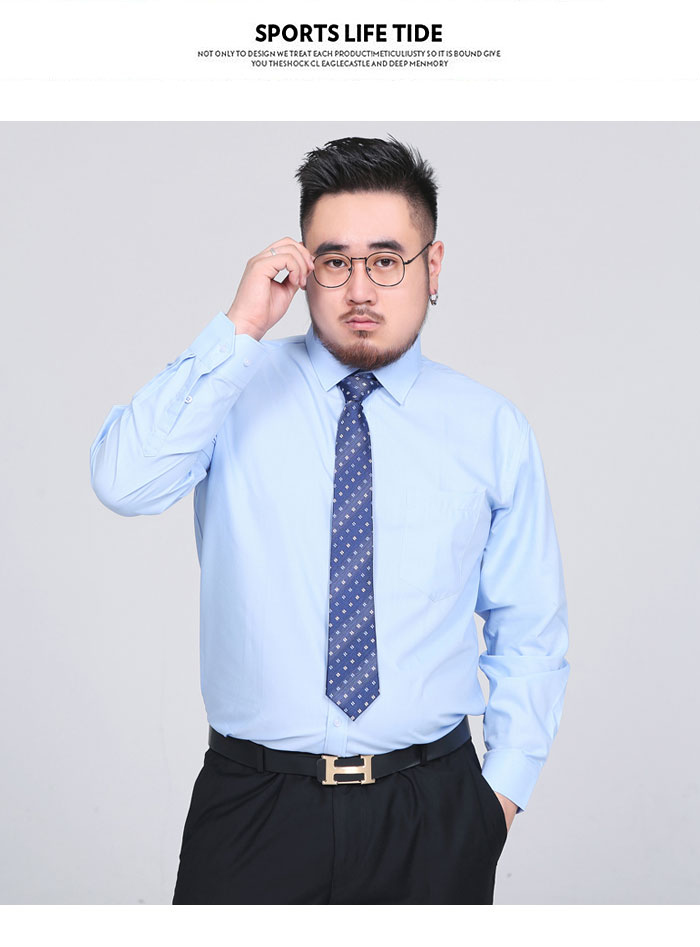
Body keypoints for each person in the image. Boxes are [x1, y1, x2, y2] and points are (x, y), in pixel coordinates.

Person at [90, 136, 570, 905]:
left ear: (433, 266)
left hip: (432, 808)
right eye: (335, 261)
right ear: (304, 266)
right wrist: (239, 326)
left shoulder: (490, 428)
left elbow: (531, 630)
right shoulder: (232, 389)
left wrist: (497, 801)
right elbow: (123, 480)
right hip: (254, 805)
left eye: (386, 260)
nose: (360, 289)